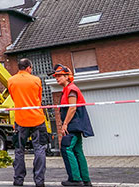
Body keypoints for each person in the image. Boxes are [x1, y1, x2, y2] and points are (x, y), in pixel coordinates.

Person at [51, 64, 94, 186]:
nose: (57, 78)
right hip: (76, 124)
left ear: (67, 76)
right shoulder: (67, 89)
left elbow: (72, 108)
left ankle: (75, 179)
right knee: (77, 150)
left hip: (73, 125)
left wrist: (65, 125)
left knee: (66, 148)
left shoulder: (71, 89)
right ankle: (85, 180)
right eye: (56, 77)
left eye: (59, 76)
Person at [7, 58, 47, 187]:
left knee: (19, 150)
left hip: (21, 120)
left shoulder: (11, 81)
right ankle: (39, 181)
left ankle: (18, 180)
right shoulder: (36, 80)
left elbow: (14, 98)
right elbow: (39, 99)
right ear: (29, 67)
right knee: (39, 149)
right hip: (37, 119)